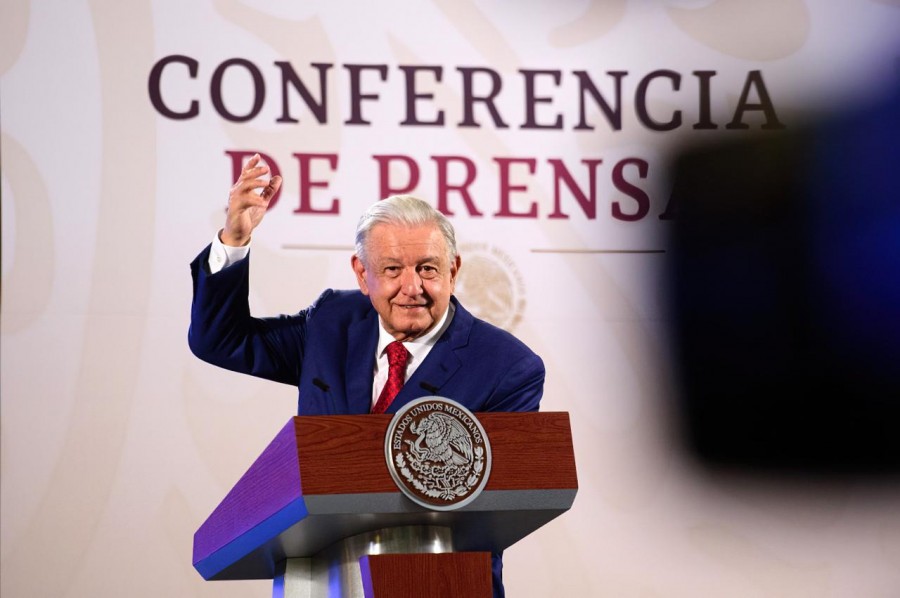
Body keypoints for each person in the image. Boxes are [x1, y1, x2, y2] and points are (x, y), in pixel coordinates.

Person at [188, 154, 545, 596]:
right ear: (362, 275)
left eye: (428, 269)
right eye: (392, 269)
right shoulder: (331, 324)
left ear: (453, 272)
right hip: (319, 579)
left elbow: (492, 506)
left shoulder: (507, 367)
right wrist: (235, 239)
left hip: (435, 583)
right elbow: (220, 341)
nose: (411, 287)